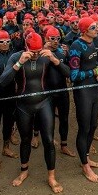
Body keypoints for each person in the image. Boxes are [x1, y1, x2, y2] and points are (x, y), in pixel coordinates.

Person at [0, 32, 63, 193]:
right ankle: (24, 171)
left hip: (44, 103)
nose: (35, 55)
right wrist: (19, 64)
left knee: (48, 140)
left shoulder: (46, 56)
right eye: (32, 51)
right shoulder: (16, 57)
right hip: (23, 105)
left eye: (38, 51)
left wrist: (55, 60)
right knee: (25, 139)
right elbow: (3, 81)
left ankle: (51, 177)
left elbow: (67, 74)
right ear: (26, 47)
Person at [69, 17, 98, 183]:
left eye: (96, 25)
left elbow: (92, 62)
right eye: (93, 27)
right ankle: (85, 166)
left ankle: (86, 157)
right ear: (84, 30)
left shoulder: (93, 42)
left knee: (94, 125)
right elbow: (74, 75)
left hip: (93, 89)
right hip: (82, 91)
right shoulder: (77, 46)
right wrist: (94, 72)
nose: (96, 28)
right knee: (84, 128)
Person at [0, 30, 18, 173]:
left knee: (9, 123)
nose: (5, 44)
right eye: (1, 42)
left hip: (11, 94)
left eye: (7, 41)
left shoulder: (14, 54)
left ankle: (6, 147)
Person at [44, 27, 75, 157]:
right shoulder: (41, 53)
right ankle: (49, 144)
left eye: (57, 38)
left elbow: (68, 72)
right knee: (48, 120)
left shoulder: (62, 52)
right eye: (52, 39)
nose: (55, 41)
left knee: (64, 119)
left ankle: (64, 145)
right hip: (47, 93)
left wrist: (56, 60)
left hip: (62, 91)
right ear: (46, 38)